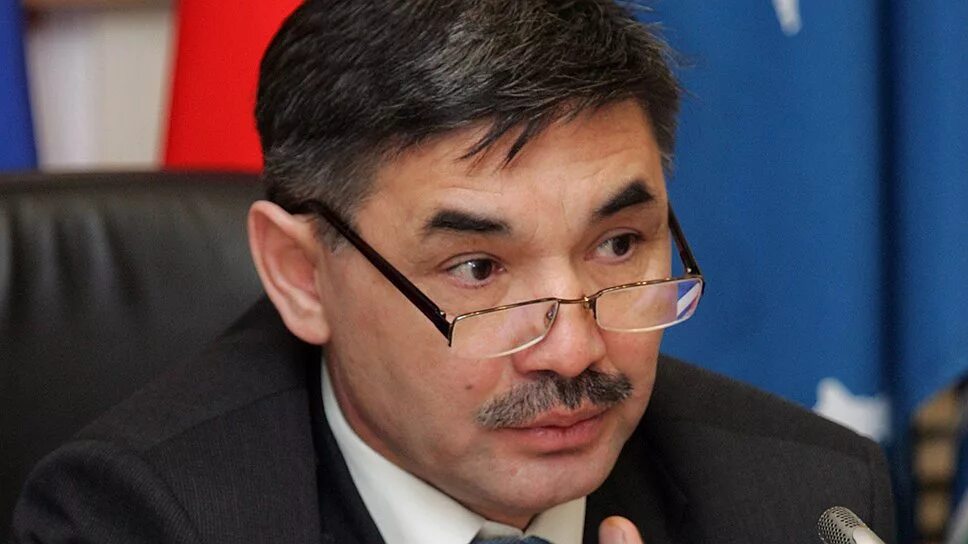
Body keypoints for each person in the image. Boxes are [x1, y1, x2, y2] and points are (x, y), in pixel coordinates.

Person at [11, 1, 896, 543]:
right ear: (301, 275)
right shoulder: (139, 520)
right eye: (478, 268)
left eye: (619, 246)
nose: (575, 349)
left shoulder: (806, 503)